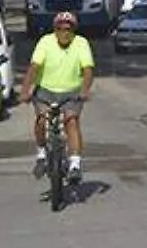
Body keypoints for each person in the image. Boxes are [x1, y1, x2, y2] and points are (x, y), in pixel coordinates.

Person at [20, 12, 95, 182]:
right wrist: (25, 90)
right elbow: (34, 67)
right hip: (46, 90)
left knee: (71, 121)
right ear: (54, 30)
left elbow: (88, 69)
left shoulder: (81, 43)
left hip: (71, 92)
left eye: (68, 29)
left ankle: (75, 164)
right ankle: (41, 154)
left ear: (73, 30)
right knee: (41, 119)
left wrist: (85, 89)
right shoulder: (45, 42)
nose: (64, 33)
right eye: (60, 29)